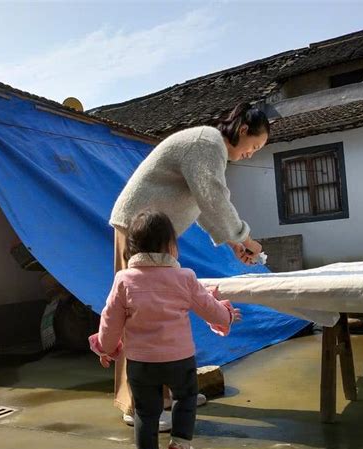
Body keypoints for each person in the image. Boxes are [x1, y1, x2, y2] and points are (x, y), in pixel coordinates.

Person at [110, 102, 270, 429]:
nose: (252, 154)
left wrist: (235, 242)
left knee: (165, 316)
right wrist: (245, 236)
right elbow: (212, 197)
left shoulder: (208, 149)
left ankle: (171, 396)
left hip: (158, 235)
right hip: (138, 230)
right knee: (140, 315)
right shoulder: (207, 142)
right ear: (242, 131)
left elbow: (203, 204)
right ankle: (139, 406)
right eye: (254, 145)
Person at [89, 211, 240, 449]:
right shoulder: (184, 277)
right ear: (171, 245)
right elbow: (209, 309)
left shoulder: (124, 280)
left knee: (145, 413)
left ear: (133, 246)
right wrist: (226, 315)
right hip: (179, 359)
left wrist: (106, 348)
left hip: (140, 362)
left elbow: (109, 321)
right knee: (185, 399)